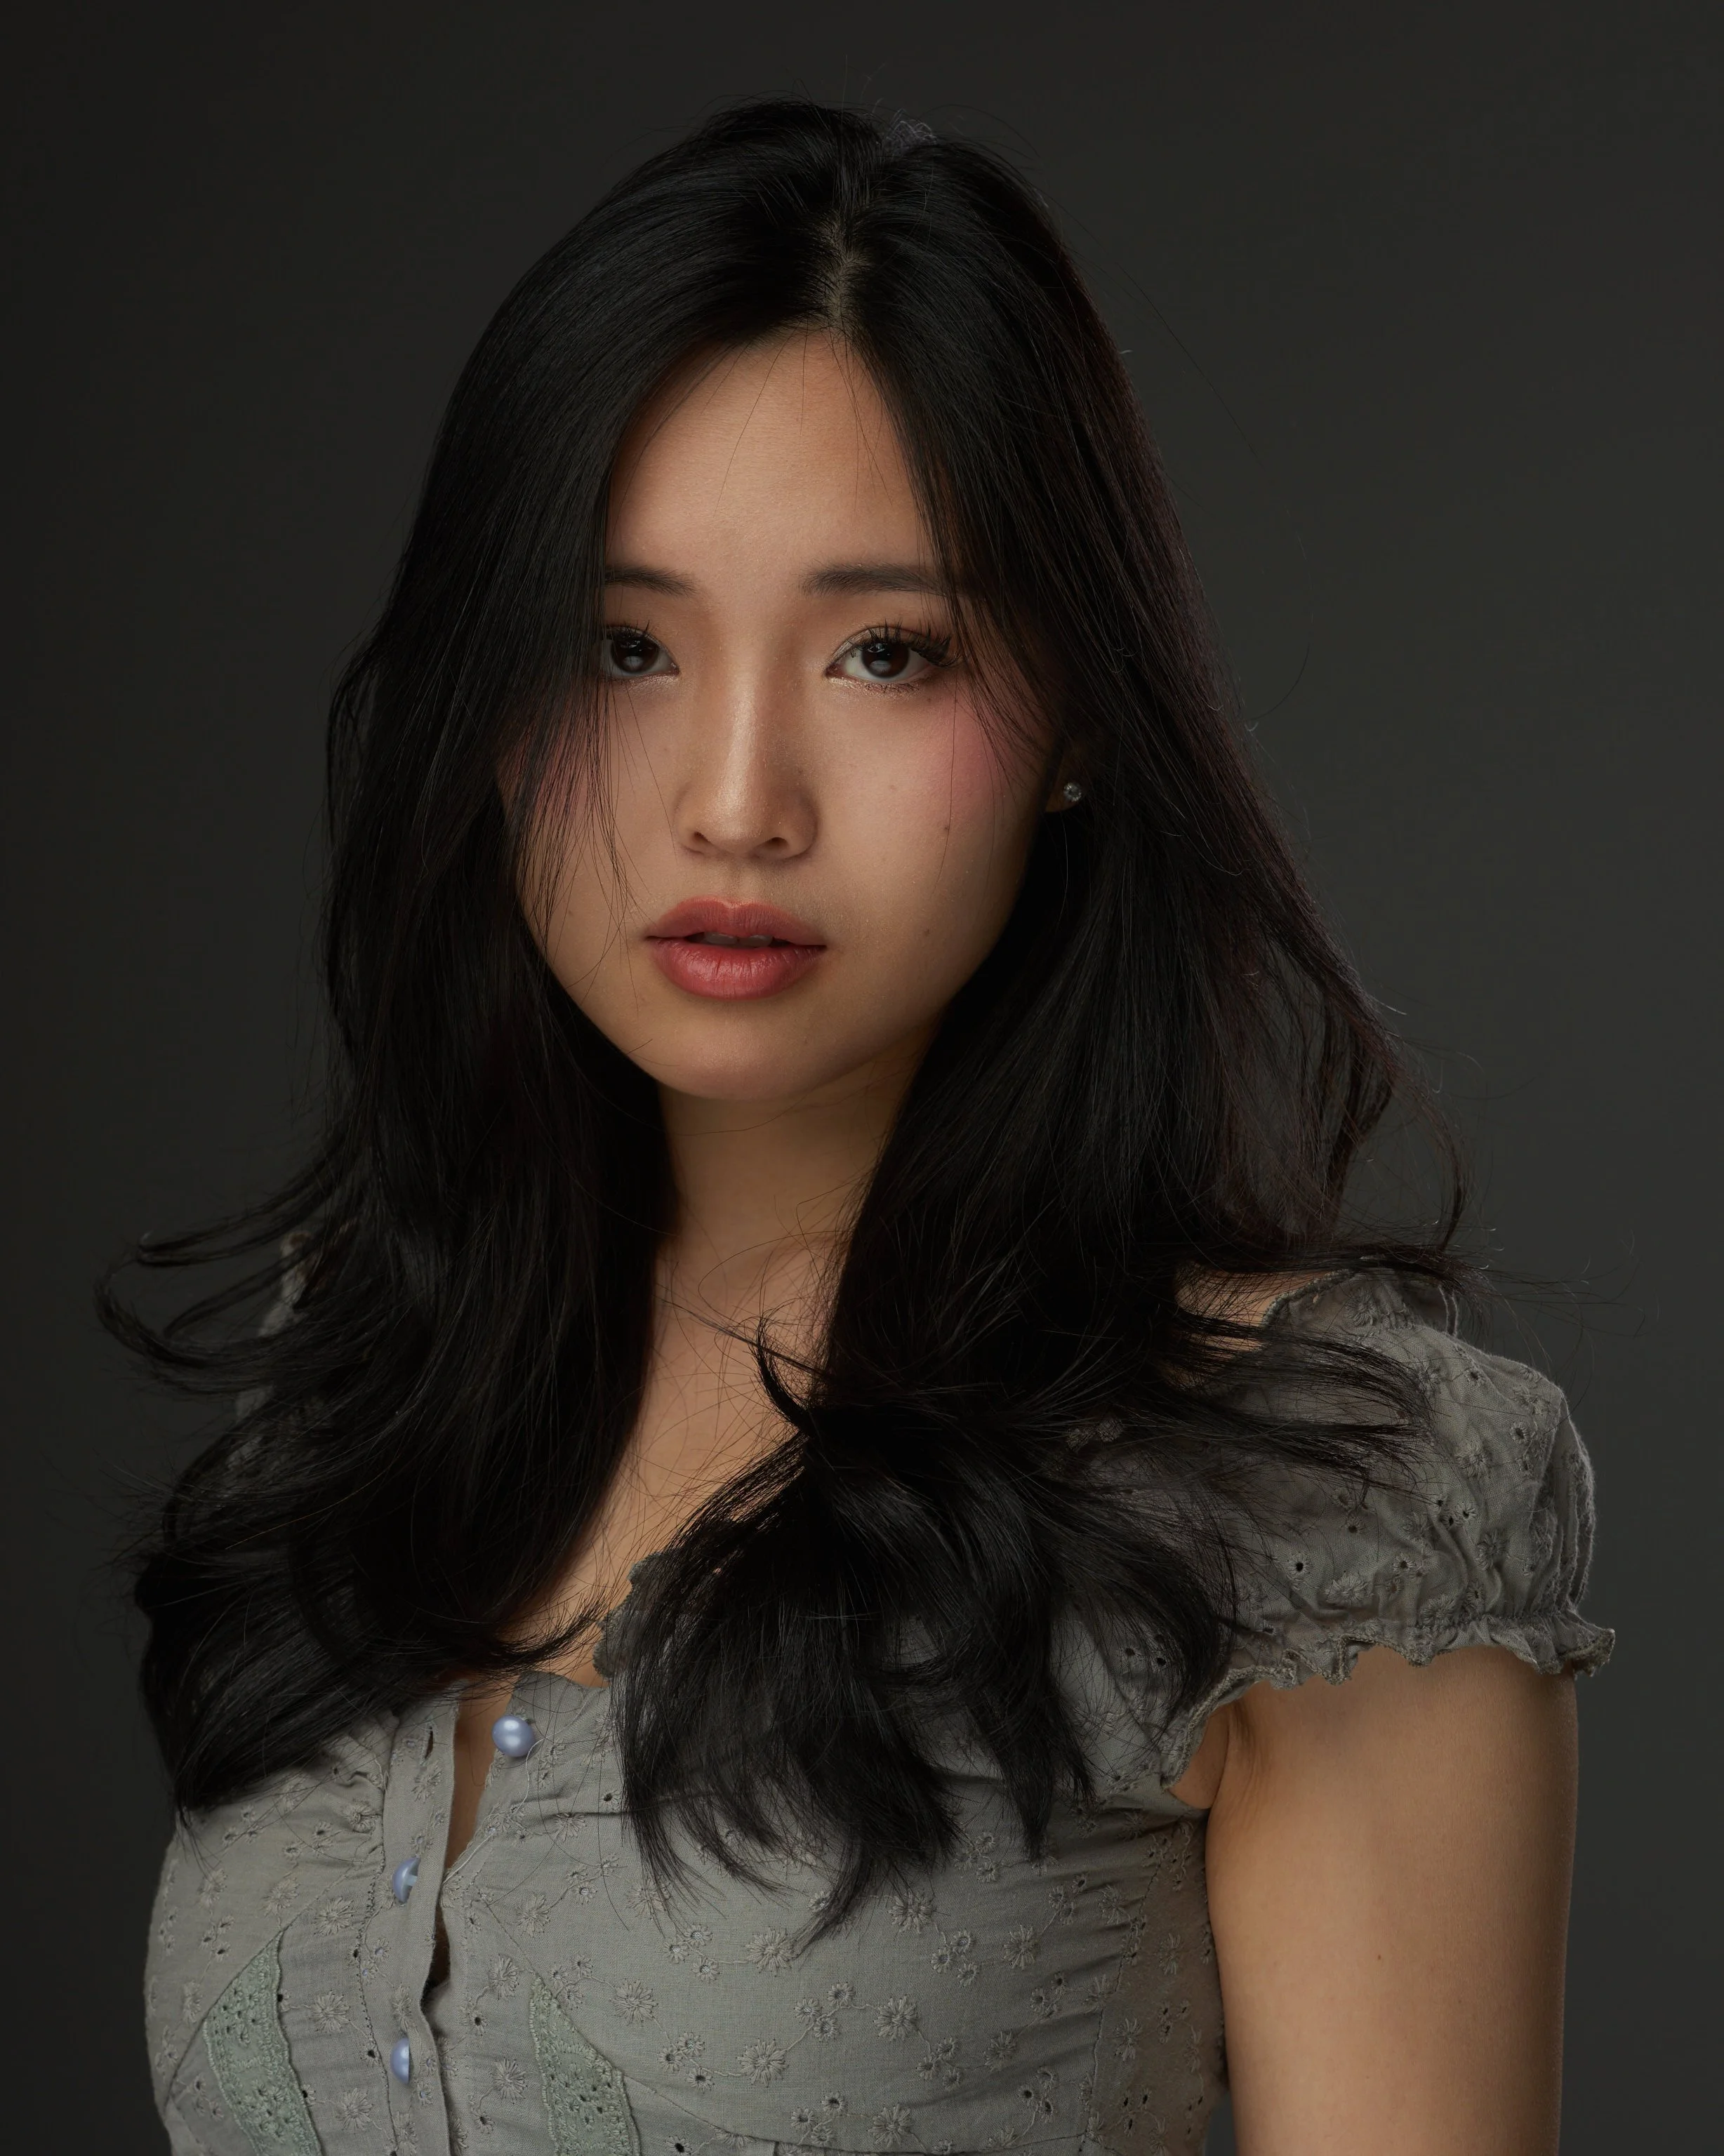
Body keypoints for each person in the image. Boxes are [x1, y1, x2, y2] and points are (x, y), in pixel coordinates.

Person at [120, 101, 1610, 2156]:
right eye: (622, 648)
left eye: (887, 652)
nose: (736, 799)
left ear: (1078, 718)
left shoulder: (1321, 1499)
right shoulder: (371, 1374)